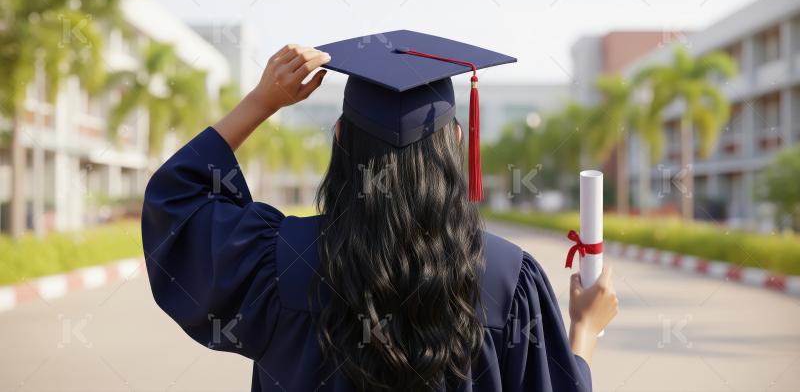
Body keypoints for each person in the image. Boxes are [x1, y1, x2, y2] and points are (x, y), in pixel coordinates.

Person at [142, 31, 618, 392]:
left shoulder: (280, 261)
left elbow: (179, 201)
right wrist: (584, 329)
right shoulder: (507, 280)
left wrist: (263, 101)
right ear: (455, 142)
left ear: (341, 139)